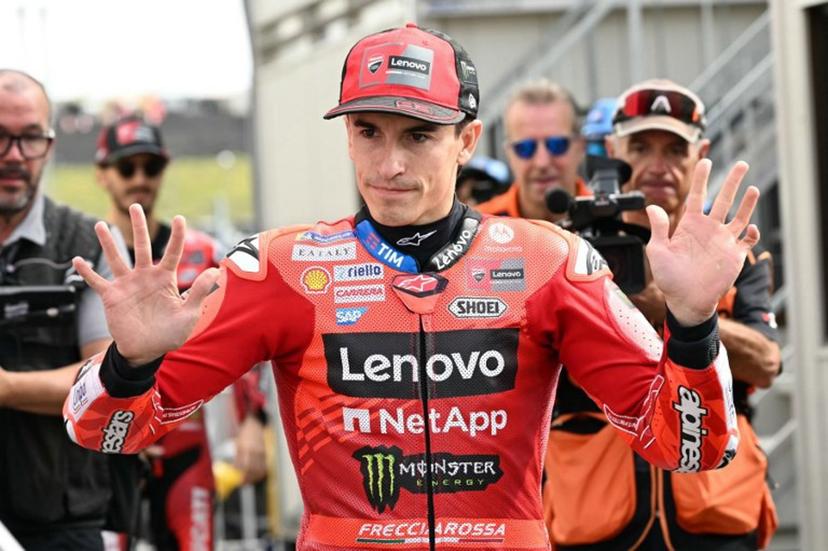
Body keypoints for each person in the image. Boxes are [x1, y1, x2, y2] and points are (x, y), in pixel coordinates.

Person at [65, 25, 761, 551]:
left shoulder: (550, 261)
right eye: (368, 131)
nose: (389, 163)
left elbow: (690, 447)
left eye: (420, 135)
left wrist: (695, 324)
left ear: (466, 140)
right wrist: (129, 363)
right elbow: (103, 430)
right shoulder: (280, 266)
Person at [543, 79, 781, 550]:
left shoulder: (735, 254)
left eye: (675, 148)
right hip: (593, 513)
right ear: (611, 150)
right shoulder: (562, 251)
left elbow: (768, 362)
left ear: (701, 154)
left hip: (715, 513)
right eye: (640, 146)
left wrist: (683, 309)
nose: (657, 165)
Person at [94, 115, 269, 550]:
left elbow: (244, 338)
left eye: (150, 168)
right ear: (102, 175)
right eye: (126, 167)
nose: (140, 179)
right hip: (107, 445)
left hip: (184, 440)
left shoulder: (202, 252)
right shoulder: (85, 253)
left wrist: (252, 422)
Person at [0, 69, 125, 550]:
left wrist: (8, 388)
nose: (14, 156)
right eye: (1, 137)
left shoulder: (91, 244)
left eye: (30, 138)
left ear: (49, 146)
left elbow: (106, 379)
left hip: (61, 519)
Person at [476, 79, 589, 222]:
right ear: (509, 154)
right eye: (525, 148)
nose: (542, 162)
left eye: (557, 145)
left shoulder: (613, 222)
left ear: (581, 147)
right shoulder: (479, 229)